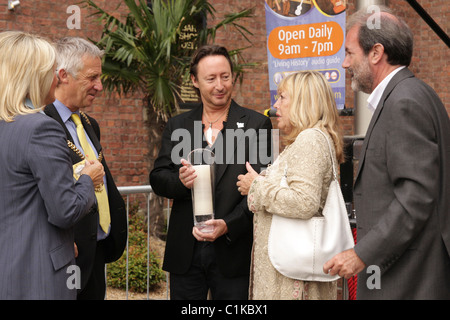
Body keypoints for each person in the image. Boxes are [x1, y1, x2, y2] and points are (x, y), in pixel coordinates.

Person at [323, 6, 450, 299]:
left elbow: (415, 198)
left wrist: (361, 254)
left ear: (376, 53)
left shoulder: (403, 102)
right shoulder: (414, 94)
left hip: (409, 277)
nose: (344, 63)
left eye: (350, 53)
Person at [150, 45, 273, 300]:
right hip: (186, 253)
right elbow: (159, 177)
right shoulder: (178, 125)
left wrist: (228, 225)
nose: (220, 85)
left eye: (225, 77)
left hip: (234, 252)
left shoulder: (257, 124)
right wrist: (180, 182)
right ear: (195, 81)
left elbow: (261, 189)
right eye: (211, 78)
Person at [0, 31, 105, 299]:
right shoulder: (40, 128)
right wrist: (87, 180)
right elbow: (65, 211)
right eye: (51, 71)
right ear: (34, 76)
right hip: (40, 276)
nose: (56, 78)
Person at [237, 70, 345, 300]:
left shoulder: (310, 140)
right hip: (290, 270)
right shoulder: (312, 137)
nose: (275, 105)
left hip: (293, 281)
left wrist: (255, 186)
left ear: (302, 101)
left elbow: (304, 202)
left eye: (282, 97)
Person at [44, 37, 127, 300]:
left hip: (96, 249)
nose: (99, 86)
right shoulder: (40, 125)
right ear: (63, 75)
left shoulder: (90, 122)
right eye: (92, 78)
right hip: (68, 252)